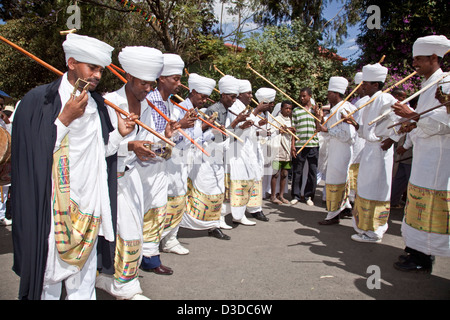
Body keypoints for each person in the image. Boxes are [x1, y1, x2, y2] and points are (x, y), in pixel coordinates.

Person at [11, 33, 137, 300]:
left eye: (101, 69)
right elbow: (34, 154)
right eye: (92, 68)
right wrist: (64, 120)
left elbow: (99, 154)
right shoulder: (41, 100)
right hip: (56, 207)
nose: (98, 75)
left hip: (90, 205)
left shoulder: (98, 105)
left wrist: (119, 135)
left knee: (84, 278)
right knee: (50, 278)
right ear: (71, 63)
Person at [95, 46, 164, 300]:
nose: (148, 90)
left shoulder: (146, 106)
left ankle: (115, 280)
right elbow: (100, 146)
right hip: (110, 178)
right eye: (143, 84)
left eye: (151, 84)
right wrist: (128, 145)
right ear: (129, 78)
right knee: (119, 232)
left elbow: (143, 140)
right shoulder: (109, 103)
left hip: (132, 175)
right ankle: (125, 287)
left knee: (131, 231)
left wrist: (149, 148)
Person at [390, 35, 450, 272]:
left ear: (434, 58)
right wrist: (411, 123)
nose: (413, 65)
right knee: (417, 203)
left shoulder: (446, 84)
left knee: (430, 204)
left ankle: (424, 257)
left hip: (437, 158)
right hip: (424, 156)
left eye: (419, 60)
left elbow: (444, 124)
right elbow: (426, 120)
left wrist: (412, 116)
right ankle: (416, 250)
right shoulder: (428, 85)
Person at [135, 53, 187, 276]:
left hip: (161, 164)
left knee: (157, 211)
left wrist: (175, 133)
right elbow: (150, 142)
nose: (179, 83)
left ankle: (150, 254)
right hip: (145, 167)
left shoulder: (167, 103)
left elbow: (169, 141)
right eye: (175, 78)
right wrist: (168, 139)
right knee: (149, 211)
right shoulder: (150, 100)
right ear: (162, 78)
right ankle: (146, 257)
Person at [344, 63, 402, 243]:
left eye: (366, 84)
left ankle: (375, 231)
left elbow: (401, 119)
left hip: (379, 151)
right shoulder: (370, 101)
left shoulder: (386, 99)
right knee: (365, 188)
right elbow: (365, 130)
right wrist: (354, 123)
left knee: (377, 190)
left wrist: (392, 138)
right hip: (369, 150)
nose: (362, 87)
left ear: (376, 84)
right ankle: (365, 228)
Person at [160, 72, 216, 254]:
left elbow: (196, 139)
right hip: (173, 162)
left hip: (187, 163)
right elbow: (171, 139)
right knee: (172, 198)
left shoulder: (196, 112)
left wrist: (210, 129)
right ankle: (163, 239)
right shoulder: (178, 108)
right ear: (192, 92)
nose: (205, 100)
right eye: (202, 96)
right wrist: (182, 125)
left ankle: (171, 238)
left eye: (207, 97)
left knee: (180, 198)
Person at [180, 75, 239, 240]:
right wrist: (219, 129)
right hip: (204, 157)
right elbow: (201, 136)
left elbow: (213, 135)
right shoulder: (213, 110)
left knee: (218, 191)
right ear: (224, 95)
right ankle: (186, 225)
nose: (235, 100)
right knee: (202, 191)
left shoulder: (220, 110)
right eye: (232, 96)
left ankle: (214, 225)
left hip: (217, 156)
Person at [223, 81, 271, 225]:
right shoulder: (235, 106)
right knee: (238, 181)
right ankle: (235, 214)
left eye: (251, 93)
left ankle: (241, 212)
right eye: (248, 93)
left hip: (247, 148)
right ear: (240, 94)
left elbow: (249, 129)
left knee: (247, 180)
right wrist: (256, 111)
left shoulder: (243, 106)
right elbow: (236, 129)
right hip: (236, 150)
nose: (251, 96)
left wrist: (259, 127)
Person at [316, 76, 357, 225]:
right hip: (335, 150)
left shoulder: (344, 109)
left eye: (329, 93)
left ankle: (333, 215)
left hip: (341, 151)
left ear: (336, 93)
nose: (327, 96)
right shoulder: (335, 109)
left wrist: (327, 129)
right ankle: (344, 207)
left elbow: (349, 135)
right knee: (338, 181)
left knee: (336, 181)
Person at [291, 88, 319, 206]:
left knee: (312, 171)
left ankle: (308, 196)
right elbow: (293, 129)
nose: (302, 98)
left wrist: (318, 115)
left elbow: (319, 126)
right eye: (301, 96)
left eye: (304, 96)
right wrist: (292, 145)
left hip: (313, 144)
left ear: (310, 96)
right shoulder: (296, 110)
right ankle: (296, 195)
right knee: (298, 171)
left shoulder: (315, 110)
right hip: (299, 145)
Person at [348, 72, 369, 206]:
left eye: (359, 86)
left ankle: (355, 199)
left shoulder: (368, 101)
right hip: (354, 140)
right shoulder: (356, 102)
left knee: (358, 172)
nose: (356, 89)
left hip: (363, 141)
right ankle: (350, 200)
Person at [270, 100, 294, 204]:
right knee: (275, 173)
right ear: (281, 109)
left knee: (284, 174)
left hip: (287, 150)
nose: (288, 110)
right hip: (277, 150)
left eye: (290, 108)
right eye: (286, 108)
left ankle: (281, 195)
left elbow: (292, 135)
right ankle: (273, 196)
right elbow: (272, 131)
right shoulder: (276, 119)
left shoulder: (290, 120)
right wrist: (282, 130)